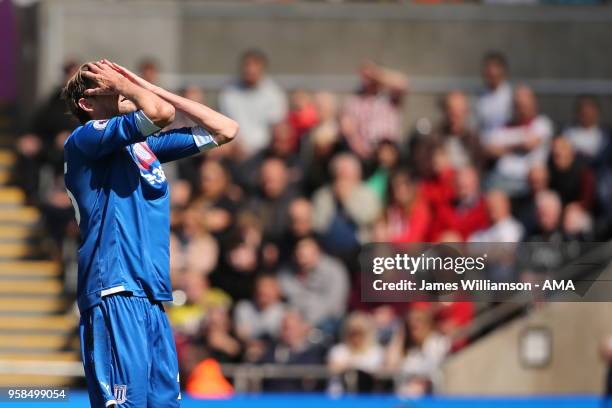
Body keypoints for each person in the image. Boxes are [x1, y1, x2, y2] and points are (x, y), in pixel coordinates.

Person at [62, 60, 238, 408]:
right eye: (109, 83)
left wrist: (147, 86)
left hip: (152, 295)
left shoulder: (144, 148)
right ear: (88, 103)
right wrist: (138, 92)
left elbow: (225, 129)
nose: (121, 84)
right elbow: (159, 113)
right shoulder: (86, 137)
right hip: (115, 288)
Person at [483, 85, 554, 197]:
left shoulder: (542, 123)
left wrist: (505, 148)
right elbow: (489, 150)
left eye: (524, 104)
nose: (521, 109)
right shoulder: (503, 127)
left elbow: (530, 145)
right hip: (501, 179)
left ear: (533, 104)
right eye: (518, 105)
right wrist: (518, 146)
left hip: (528, 181)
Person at [219, 49, 287, 157]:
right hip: (234, 150)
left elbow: (277, 127)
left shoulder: (274, 94)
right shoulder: (229, 93)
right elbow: (222, 125)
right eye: (247, 65)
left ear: (262, 68)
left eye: (255, 65)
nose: (251, 69)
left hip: (265, 152)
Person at [341, 61, 408, 160]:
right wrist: (360, 149)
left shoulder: (389, 98)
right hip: (363, 154)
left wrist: (377, 75)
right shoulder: (354, 101)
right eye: (365, 77)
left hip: (389, 152)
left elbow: (402, 84)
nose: (368, 80)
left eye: (371, 77)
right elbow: (347, 128)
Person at [475, 51, 513, 132]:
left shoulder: (512, 96)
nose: (490, 72)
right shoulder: (478, 96)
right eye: (487, 68)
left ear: (502, 70)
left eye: (494, 68)